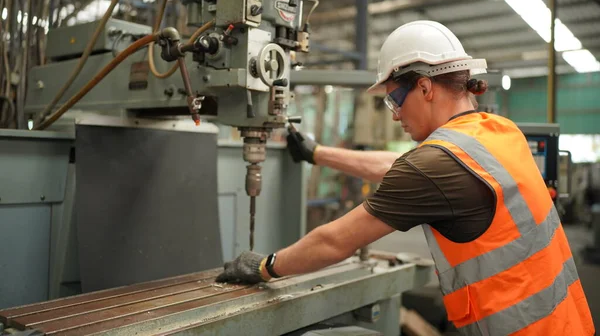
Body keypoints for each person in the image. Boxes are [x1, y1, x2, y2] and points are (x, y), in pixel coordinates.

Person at [216, 20, 595, 335]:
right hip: (568, 323)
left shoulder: (433, 167)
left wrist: (264, 266)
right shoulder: (498, 131)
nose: (394, 115)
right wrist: (317, 154)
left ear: (426, 88)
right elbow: (400, 167)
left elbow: (335, 241)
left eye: (394, 99)